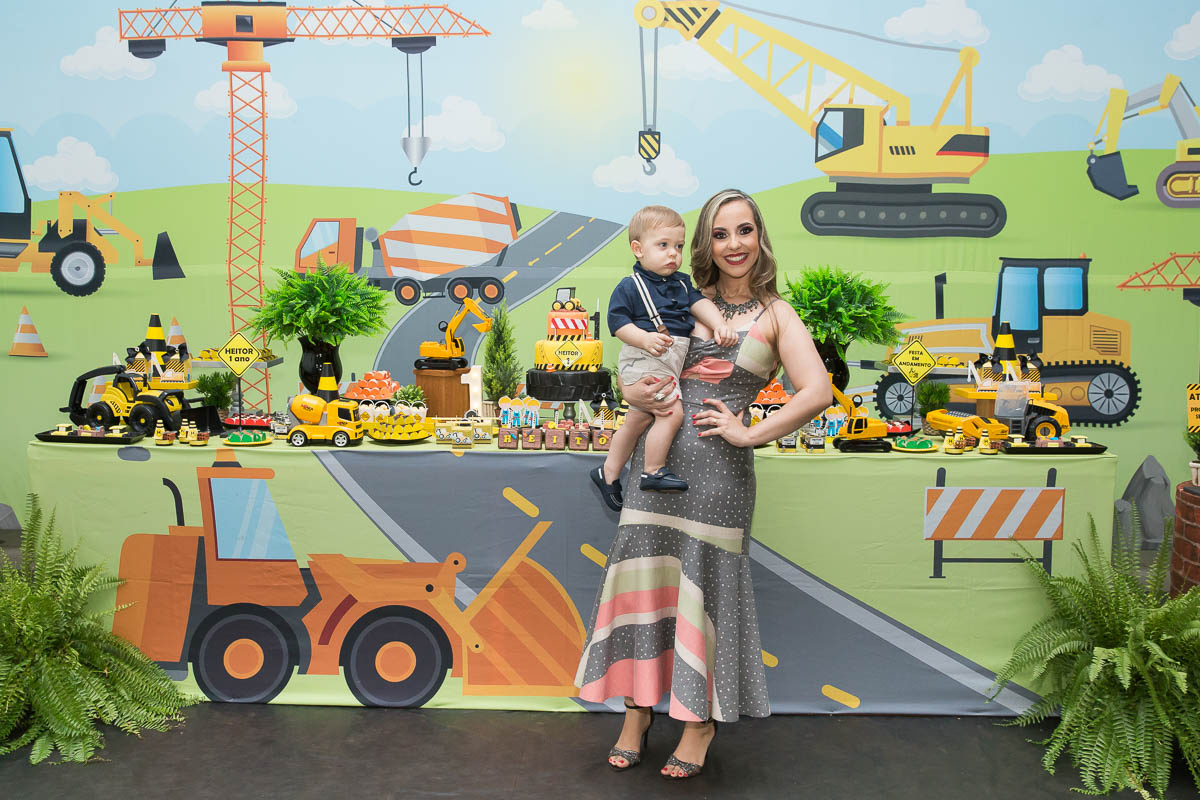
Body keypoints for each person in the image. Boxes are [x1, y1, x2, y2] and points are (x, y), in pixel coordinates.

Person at [575, 189, 832, 779]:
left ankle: (698, 724)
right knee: (642, 589)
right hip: (653, 472)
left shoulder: (777, 315)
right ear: (704, 244)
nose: (733, 244)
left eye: (744, 231)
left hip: (720, 481)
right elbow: (637, 365)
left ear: (760, 237)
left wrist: (750, 432)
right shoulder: (680, 297)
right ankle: (637, 711)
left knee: (704, 596)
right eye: (720, 234)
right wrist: (634, 392)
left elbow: (817, 391)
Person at [590, 205, 736, 510]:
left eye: (678, 246)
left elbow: (699, 304)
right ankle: (653, 470)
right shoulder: (631, 286)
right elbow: (618, 323)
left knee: (637, 419)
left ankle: (608, 473)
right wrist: (644, 338)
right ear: (638, 249)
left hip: (668, 359)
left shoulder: (681, 283)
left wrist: (720, 323)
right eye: (663, 245)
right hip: (645, 356)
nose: (673, 254)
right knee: (670, 413)